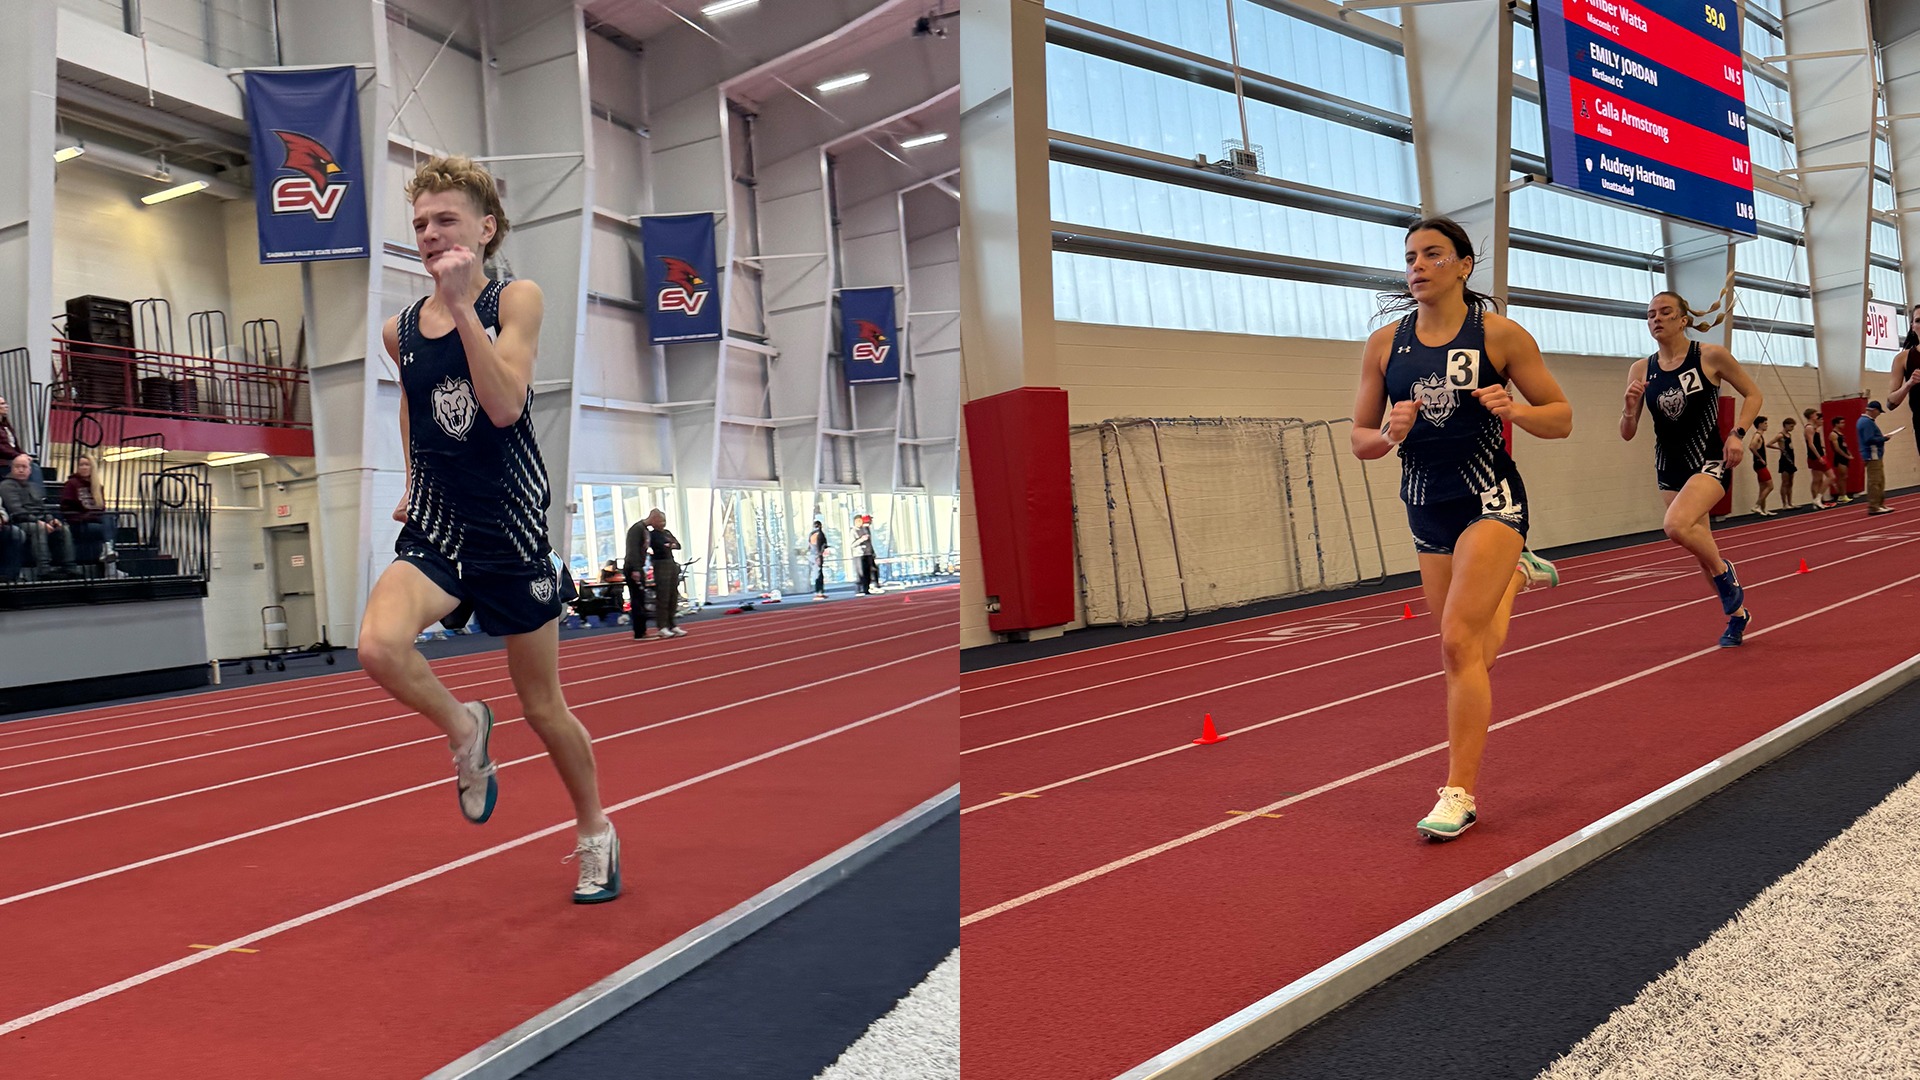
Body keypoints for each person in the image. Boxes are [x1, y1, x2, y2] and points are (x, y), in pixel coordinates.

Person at [358, 155, 618, 904]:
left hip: (509, 533)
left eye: (446, 220)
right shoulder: (399, 330)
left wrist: (462, 308)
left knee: (542, 707)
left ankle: (595, 830)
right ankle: (464, 727)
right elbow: (412, 402)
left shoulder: (517, 299)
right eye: (419, 224)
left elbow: (503, 406)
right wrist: (413, 481)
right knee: (377, 645)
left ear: (485, 228)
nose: (430, 234)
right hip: (440, 528)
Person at [1352, 217, 1571, 842]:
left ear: (1464, 265)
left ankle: (1459, 794)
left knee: (1455, 643)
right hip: (1426, 504)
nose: (1418, 266)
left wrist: (1516, 410)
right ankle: (1517, 575)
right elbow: (1360, 440)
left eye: (1433, 254)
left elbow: (1561, 418)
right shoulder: (1383, 345)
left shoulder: (1499, 335)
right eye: (1410, 257)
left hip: (1490, 498)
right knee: (1468, 652)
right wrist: (1388, 433)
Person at [1621, 291, 1764, 651]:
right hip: (1669, 466)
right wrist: (1628, 407)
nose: (1656, 319)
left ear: (1683, 320)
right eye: (1650, 314)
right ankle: (1738, 616)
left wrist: (1737, 434)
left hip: (1709, 459)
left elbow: (1754, 394)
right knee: (1702, 552)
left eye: (1665, 312)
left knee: (1675, 526)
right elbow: (1627, 432)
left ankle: (1726, 573)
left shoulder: (1710, 355)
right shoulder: (1641, 369)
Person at [1, 453, 79, 578]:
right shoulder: (6, 485)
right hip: (18, 521)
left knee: (63, 528)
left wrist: (51, 519)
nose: (21, 470)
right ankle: (44, 569)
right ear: (11, 468)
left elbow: (42, 508)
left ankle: (70, 568)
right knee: (39, 529)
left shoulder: (33, 486)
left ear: (30, 470)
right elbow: (16, 511)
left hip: (37, 519)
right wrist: (38, 522)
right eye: (17, 467)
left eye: (24, 467)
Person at [60, 453, 120, 567]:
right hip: (79, 523)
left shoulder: (98, 486)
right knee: (108, 526)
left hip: (94, 521)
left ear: (93, 467)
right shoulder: (71, 484)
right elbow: (65, 508)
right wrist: (86, 516)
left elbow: (101, 508)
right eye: (81, 465)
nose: (84, 467)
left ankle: (108, 552)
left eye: (87, 465)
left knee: (110, 519)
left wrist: (93, 515)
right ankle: (109, 555)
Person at [645, 508, 685, 637]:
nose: (663, 523)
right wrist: (669, 545)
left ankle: (672, 624)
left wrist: (670, 545)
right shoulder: (652, 534)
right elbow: (660, 546)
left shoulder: (667, 532)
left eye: (664, 520)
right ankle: (662, 626)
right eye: (660, 520)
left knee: (673, 595)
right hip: (660, 564)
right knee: (663, 595)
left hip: (671, 562)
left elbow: (678, 545)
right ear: (654, 522)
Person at [1887, 306, 1920, 458]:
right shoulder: (1903, 359)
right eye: (1918, 321)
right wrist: (1909, 384)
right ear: (1913, 327)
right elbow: (1890, 403)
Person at [1858, 401, 1894, 515]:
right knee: (1875, 481)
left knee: (1879, 480)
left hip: (1874, 454)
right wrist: (1884, 439)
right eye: (1878, 412)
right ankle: (1874, 506)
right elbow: (1869, 439)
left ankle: (1879, 504)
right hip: (1872, 454)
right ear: (1874, 410)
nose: (1878, 415)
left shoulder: (1864, 421)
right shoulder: (1866, 422)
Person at [1802, 407, 1829, 510]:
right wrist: (1819, 457)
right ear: (1811, 416)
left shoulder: (1814, 428)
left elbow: (1818, 443)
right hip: (1815, 456)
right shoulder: (1809, 427)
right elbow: (1811, 444)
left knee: (1818, 479)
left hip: (1819, 455)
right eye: (1816, 414)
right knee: (1829, 477)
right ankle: (1816, 499)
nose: (1818, 416)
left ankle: (1818, 500)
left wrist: (1823, 449)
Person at [1748, 417, 1775, 516]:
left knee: (1763, 488)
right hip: (1760, 465)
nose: (1767, 425)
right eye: (1765, 423)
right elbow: (1751, 447)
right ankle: (1757, 505)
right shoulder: (1757, 435)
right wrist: (1760, 458)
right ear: (1760, 424)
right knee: (1770, 486)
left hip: (1759, 464)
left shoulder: (1760, 436)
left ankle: (1763, 509)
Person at [1772, 418, 1798, 511]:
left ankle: (1790, 502)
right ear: (1786, 425)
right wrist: (1779, 449)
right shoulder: (1780, 435)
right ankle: (1784, 504)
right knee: (1785, 482)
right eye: (1791, 426)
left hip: (1791, 459)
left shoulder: (1789, 435)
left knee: (1790, 482)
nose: (1792, 428)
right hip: (1784, 460)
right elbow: (1769, 444)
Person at [1828, 416, 1855, 504]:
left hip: (1844, 456)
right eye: (1842, 423)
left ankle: (1843, 495)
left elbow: (1844, 446)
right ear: (1836, 424)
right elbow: (1837, 448)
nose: (1844, 424)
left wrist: (1849, 453)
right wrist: (1846, 456)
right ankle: (1842, 495)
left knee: (1844, 477)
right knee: (1842, 477)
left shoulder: (1841, 434)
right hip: (1839, 457)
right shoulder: (1833, 434)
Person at [853, 515, 874, 595]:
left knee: (867, 572)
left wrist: (871, 551)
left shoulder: (865, 529)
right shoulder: (853, 531)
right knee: (861, 573)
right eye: (860, 521)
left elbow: (869, 542)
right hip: (859, 554)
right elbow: (852, 544)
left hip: (867, 553)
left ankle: (866, 588)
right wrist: (861, 539)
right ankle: (859, 589)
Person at [809, 519, 830, 600]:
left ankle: (818, 591)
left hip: (812, 555)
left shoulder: (811, 534)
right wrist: (821, 552)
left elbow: (810, 545)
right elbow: (823, 545)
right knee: (819, 573)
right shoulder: (820, 534)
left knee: (816, 573)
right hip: (818, 555)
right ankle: (819, 592)